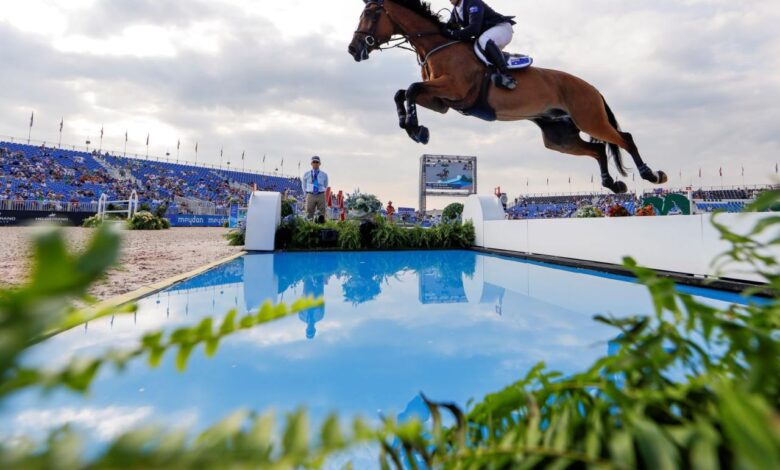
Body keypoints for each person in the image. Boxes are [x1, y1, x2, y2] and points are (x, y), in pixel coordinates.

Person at [443, 0, 517, 89]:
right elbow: (448, 28)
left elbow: (474, 29)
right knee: (474, 45)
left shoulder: (473, 2)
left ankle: (507, 76)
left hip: (502, 28)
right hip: (488, 33)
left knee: (483, 40)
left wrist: (453, 33)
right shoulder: (455, 12)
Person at [301, 155, 329, 220]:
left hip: (321, 194)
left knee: (322, 212)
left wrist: (321, 191)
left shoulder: (324, 175)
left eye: (317, 162)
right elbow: (304, 185)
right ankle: (309, 227)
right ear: (311, 163)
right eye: (314, 162)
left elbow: (325, 185)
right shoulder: (306, 174)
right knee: (309, 212)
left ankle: (321, 227)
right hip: (310, 194)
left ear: (320, 164)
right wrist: (306, 194)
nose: (315, 163)